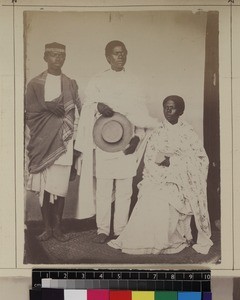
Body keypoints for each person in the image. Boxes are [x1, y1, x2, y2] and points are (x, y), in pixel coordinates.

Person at [74, 40, 157, 244]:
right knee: (103, 188)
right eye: (116, 53)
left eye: (123, 53)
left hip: (127, 142)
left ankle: (120, 230)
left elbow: (140, 114)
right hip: (104, 142)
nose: (120, 56)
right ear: (107, 57)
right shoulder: (97, 80)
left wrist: (137, 138)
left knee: (125, 189)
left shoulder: (134, 81)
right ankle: (103, 230)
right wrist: (98, 106)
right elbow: (87, 106)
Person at [108, 95, 213, 255]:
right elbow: (151, 159)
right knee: (151, 195)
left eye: (172, 107)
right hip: (157, 177)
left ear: (181, 111)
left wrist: (172, 162)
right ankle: (143, 242)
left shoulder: (188, 132)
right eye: (166, 107)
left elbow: (200, 159)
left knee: (165, 198)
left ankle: (166, 240)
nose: (168, 110)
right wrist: (163, 169)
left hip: (180, 179)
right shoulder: (157, 132)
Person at [25, 42, 81, 242]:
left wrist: (76, 145)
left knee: (60, 186)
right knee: (43, 186)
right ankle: (46, 227)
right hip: (41, 142)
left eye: (61, 55)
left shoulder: (70, 83)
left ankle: (57, 228)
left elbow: (76, 113)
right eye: (54, 55)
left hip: (64, 143)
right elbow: (29, 113)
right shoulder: (35, 84)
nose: (58, 59)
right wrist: (47, 107)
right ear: (45, 57)